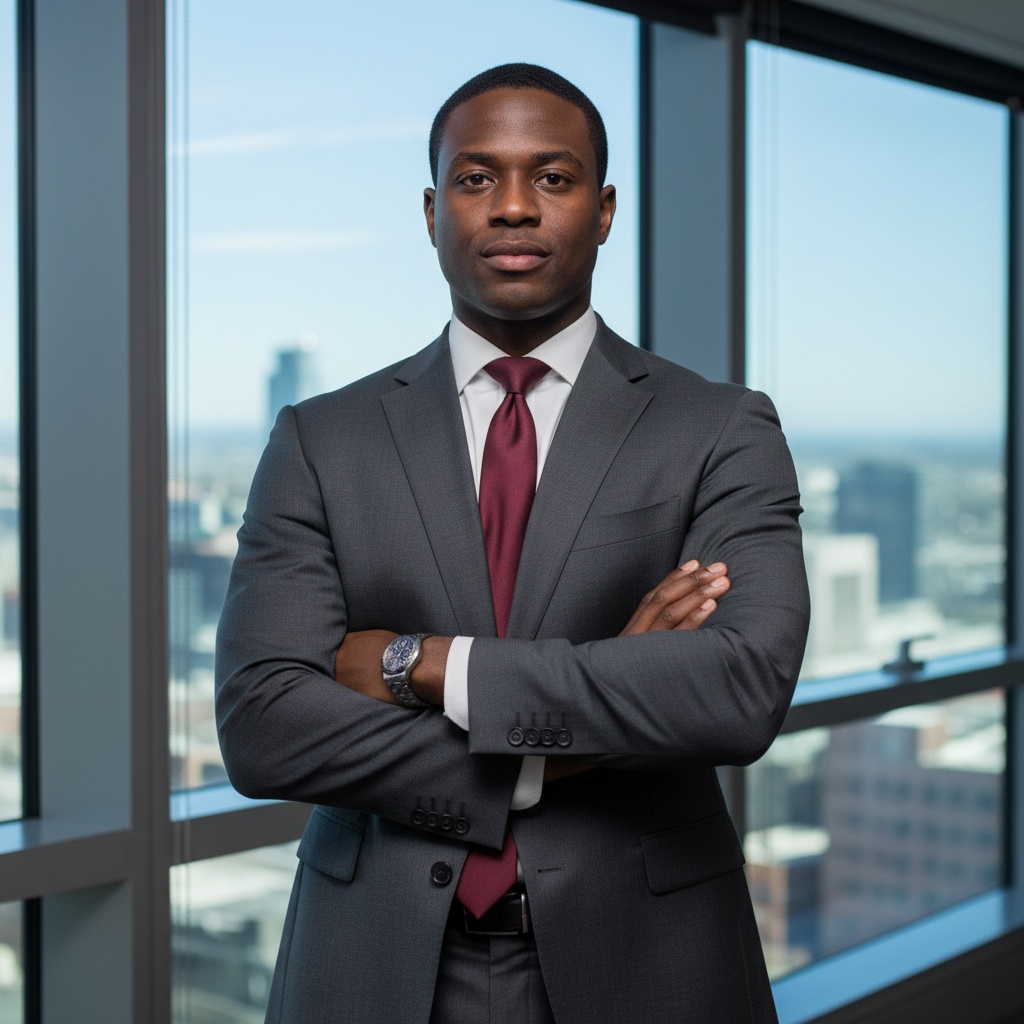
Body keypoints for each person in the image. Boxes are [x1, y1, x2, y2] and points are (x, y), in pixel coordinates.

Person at [216, 63, 809, 1024]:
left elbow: (737, 692)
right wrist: (597, 707)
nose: (514, 208)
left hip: (652, 961)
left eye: (555, 177)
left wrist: (424, 664)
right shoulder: (322, 440)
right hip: (372, 962)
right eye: (477, 178)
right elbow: (264, 726)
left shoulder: (720, 429)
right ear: (432, 209)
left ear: (606, 209)